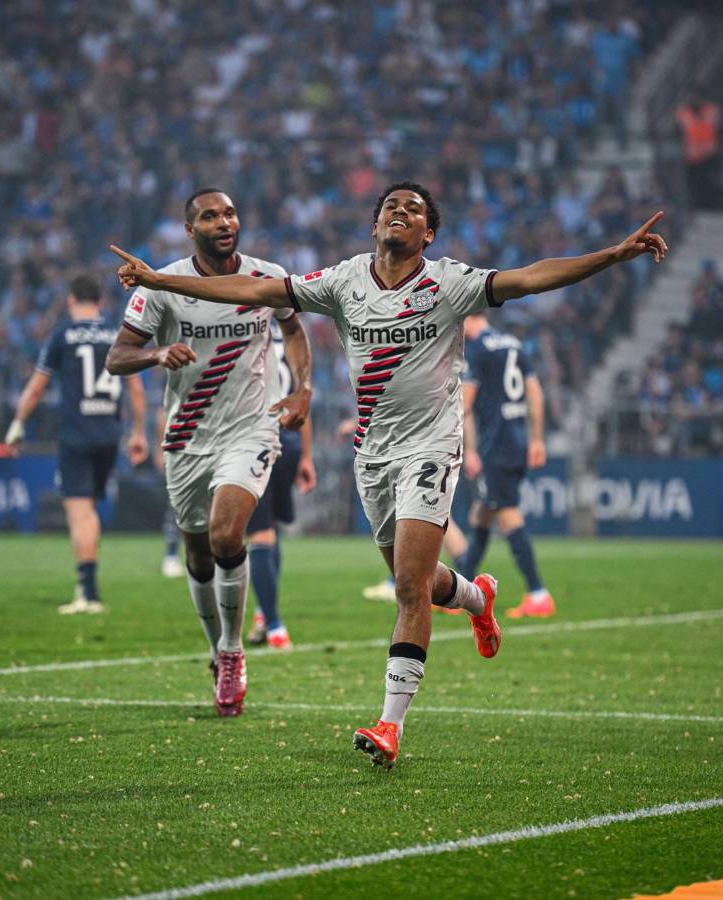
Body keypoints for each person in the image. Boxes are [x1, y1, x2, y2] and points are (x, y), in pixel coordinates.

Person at [111, 181, 668, 768]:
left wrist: (611, 254)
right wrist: (160, 280)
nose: (399, 212)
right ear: (375, 225)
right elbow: (253, 289)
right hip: (373, 454)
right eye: (390, 207)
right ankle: (478, 597)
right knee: (422, 584)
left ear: (428, 234)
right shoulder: (344, 282)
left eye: (415, 209)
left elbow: (532, 276)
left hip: (432, 447)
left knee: (406, 585)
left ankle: (389, 725)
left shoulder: (450, 283)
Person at [105, 189, 312, 717]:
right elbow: (117, 356)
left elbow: (293, 329)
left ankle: (232, 650)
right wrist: (156, 352)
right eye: (210, 216)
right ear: (190, 229)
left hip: (251, 430)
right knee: (197, 553)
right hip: (187, 437)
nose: (225, 222)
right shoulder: (161, 285)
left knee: (226, 535)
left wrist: (303, 387)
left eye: (230, 213)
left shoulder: (266, 276)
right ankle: (214, 649)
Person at [5, 274, 148, 613]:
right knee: (90, 509)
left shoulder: (63, 337)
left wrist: (17, 424)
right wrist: (139, 432)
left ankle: (88, 593)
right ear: (100, 301)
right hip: (110, 435)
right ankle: (88, 588)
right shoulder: (116, 335)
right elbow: (136, 389)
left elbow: (37, 387)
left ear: (71, 300)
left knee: (79, 511)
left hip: (76, 433)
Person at [457, 314, 555, 618]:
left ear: (469, 317)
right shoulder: (514, 344)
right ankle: (461, 592)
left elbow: (464, 402)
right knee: (482, 512)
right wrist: (537, 438)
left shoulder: (476, 349)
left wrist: (463, 447)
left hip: (495, 444)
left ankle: (538, 593)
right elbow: (535, 392)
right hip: (516, 440)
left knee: (508, 515)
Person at [246, 318, 317, 650]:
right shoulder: (292, 341)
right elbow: (303, 398)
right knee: (269, 528)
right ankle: (263, 612)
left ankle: (274, 626)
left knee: (258, 534)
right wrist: (305, 456)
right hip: (289, 442)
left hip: (257, 442)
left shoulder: (244, 334)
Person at [156, 406, 186, 578]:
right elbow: (164, 410)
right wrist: (161, 448)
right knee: (177, 505)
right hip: (183, 447)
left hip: (215, 446)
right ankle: (171, 555)